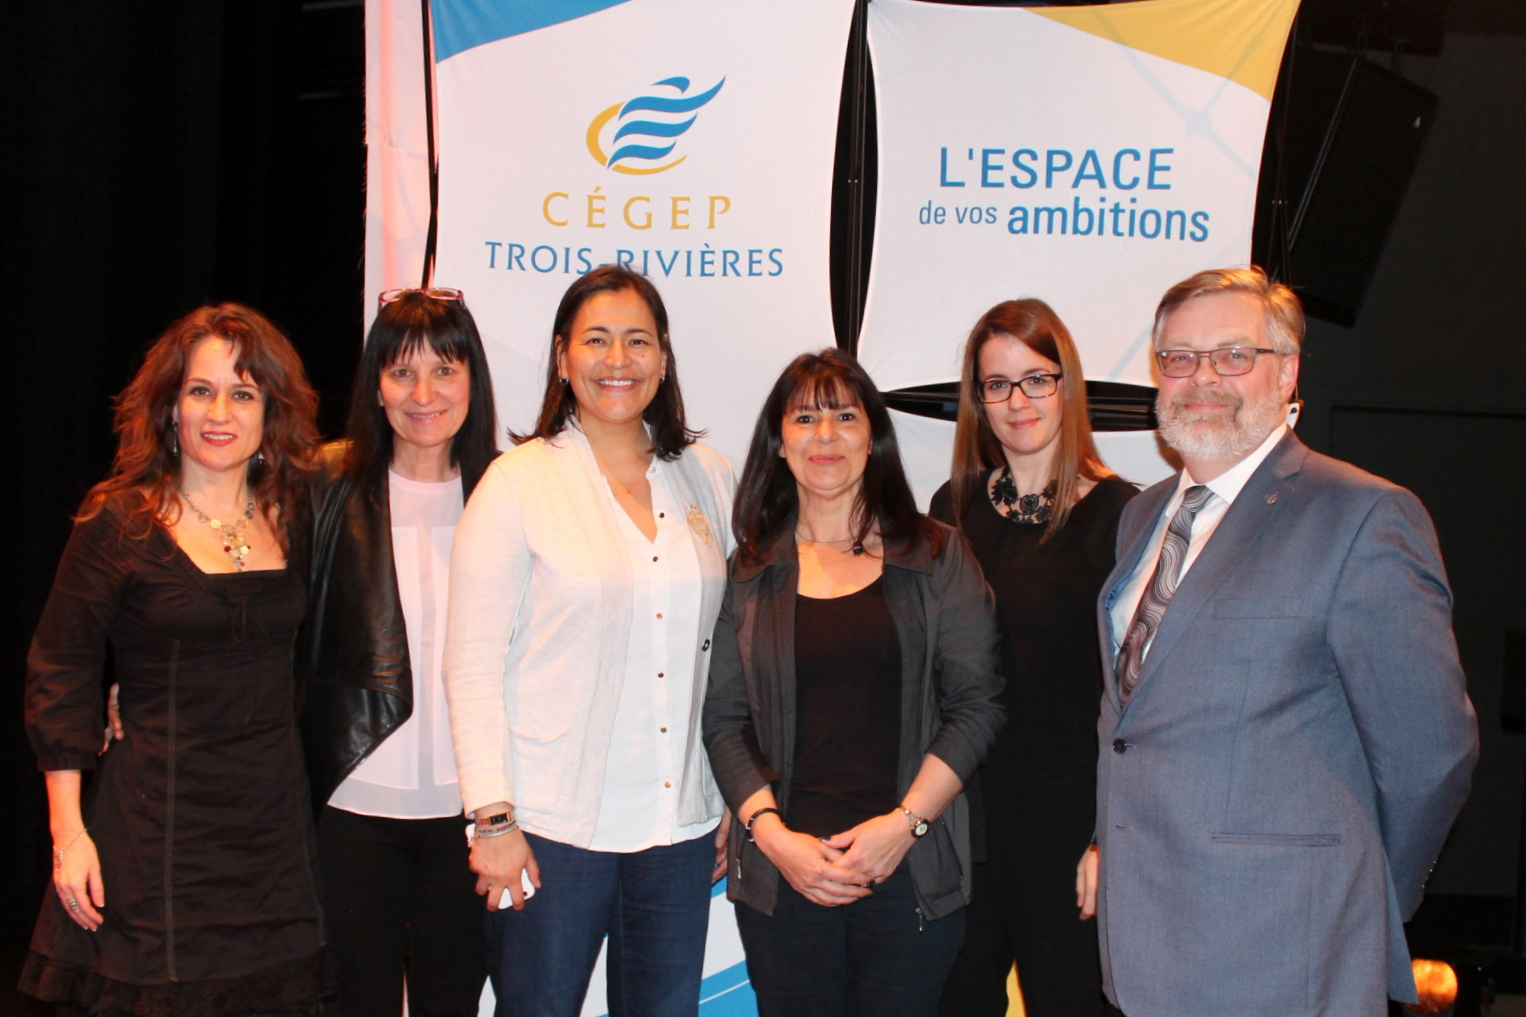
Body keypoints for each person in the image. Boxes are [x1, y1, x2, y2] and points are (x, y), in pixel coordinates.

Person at [1076, 267, 1478, 1016]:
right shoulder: (1144, 516)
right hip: (1144, 938)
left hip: (1287, 946)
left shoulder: (1362, 516)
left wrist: (1357, 895)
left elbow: (1431, 749)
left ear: (1287, 370)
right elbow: (1133, 719)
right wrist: (1109, 839)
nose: (1202, 378)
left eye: (1234, 355)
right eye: (1180, 357)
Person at [443, 265, 735, 1017]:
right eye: (597, 340)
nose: (618, 360)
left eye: (637, 341)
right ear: (562, 355)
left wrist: (732, 791)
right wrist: (493, 819)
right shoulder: (518, 482)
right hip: (549, 831)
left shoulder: (704, 474)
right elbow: (470, 663)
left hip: (678, 828)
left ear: (663, 358)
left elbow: (732, 647)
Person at [21, 304, 327, 1015]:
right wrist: (69, 836)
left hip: (271, 841)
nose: (221, 411)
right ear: (170, 408)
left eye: (244, 393)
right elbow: (59, 671)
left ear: (269, 413)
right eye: (201, 390)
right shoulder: (119, 521)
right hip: (154, 834)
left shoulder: (300, 512)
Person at [703, 348, 1005, 1017]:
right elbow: (724, 719)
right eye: (805, 417)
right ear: (778, 444)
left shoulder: (936, 553)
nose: (826, 434)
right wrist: (773, 837)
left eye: (845, 414)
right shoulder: (751, 569)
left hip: (910, 872)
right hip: (786, 877)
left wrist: (904, 826)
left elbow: (977, 705)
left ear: (874, 435)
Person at [929, 300, 1135, 1017]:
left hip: (1068, 829)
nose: (1018, 401)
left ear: (1067, 384)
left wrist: (1110, 838)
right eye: (997, 384)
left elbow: (1138, 699)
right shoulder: (951, 508)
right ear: (977, 399)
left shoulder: (1122, 517)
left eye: (1036, 379)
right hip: (963, 828)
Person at [297, 287, 498, 1015]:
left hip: (473, 818)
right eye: (400, 372)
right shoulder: (319, 486)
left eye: (445, 370)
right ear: (374, 386)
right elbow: (253, 612)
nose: (424, 394)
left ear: (472, 380)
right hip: (352, 805)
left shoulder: (509, 491)